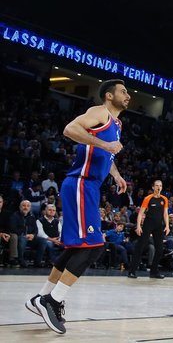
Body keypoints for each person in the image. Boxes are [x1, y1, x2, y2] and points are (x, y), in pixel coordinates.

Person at [26, 79, 128, 334]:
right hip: (81, 183)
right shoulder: (99, 112)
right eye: (123, 92)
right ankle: (53, 299)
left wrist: (115, 174)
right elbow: (70, 129)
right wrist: (104, 144)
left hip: (89, 186)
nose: (128, 96)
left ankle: (41, 296)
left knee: (77, 247)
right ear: (108, 95)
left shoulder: (117, 124)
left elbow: (108, 156)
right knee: (94, 246)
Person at [127, 179, 169, 279]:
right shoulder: (148, 198)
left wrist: (167, 225)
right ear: (153, 187)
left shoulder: (164, 199)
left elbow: (165, 213)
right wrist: (138, 226)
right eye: (157, 185)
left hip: (159, 226)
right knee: (140, 247)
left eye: (160, 186)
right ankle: (132, 271)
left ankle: (154, 272)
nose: (159, 187)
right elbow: (141, 213)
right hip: (148, 224)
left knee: (159, 249)